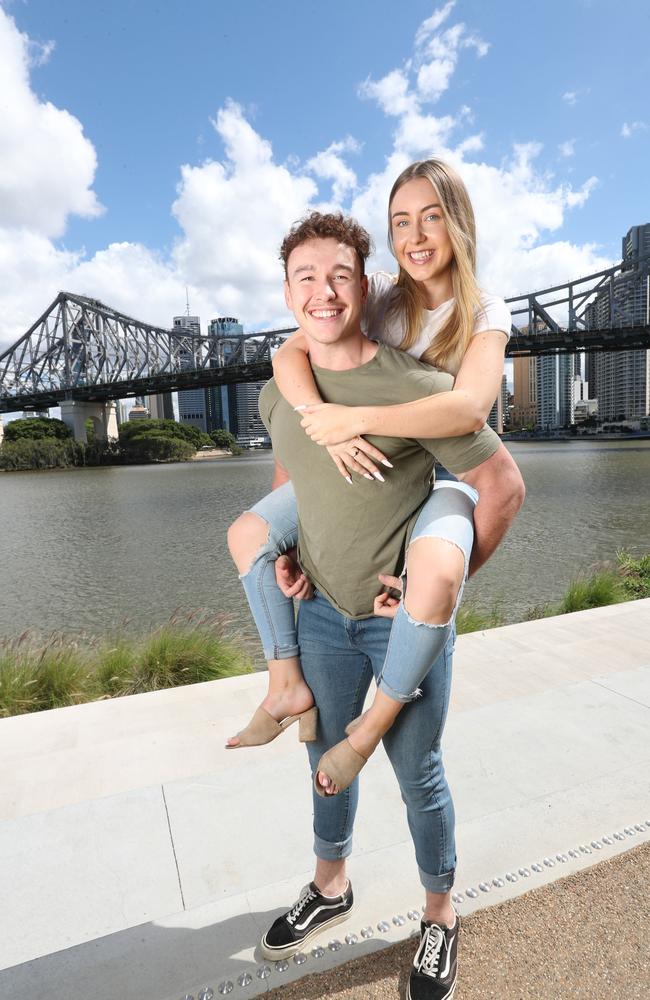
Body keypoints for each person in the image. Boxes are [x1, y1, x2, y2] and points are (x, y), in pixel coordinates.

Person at [247, 211, 504, 999]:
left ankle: (440, 916)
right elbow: (291, 474)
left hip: (403, 628)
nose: (323, 292)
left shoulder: (419, 386)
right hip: (321, 611)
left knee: (417, 772)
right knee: (321, 757)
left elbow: (500, 485)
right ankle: (331, 886)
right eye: (305, 278)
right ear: (287, 294)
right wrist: (289, 549)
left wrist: (448, 588)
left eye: (340, 276)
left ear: (367, 287)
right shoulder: (276, 392)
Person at [227, 159, 525, 791]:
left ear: (461, 227)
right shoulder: (380, 287)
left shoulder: (486, 310)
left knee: (436, 580)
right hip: (360, 453)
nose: (416, 236)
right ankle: (285, 685)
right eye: (400, 222)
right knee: (246, 536)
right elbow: (293, 347)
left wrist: (350, 417)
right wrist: (316, 418)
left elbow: (471, 408)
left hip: (438, 466)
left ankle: (372, 728)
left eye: (432, 218)